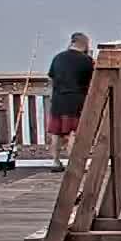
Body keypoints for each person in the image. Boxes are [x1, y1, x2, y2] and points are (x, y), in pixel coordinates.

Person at [48, 32, 95, 172]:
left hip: (57, 100)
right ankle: (74, 163)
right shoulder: (86, 61)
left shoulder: (58, 58)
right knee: (74, 133)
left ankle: (55, 162)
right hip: (76, 101)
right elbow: (94, 79)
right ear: (85, 44)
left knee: (56, 133)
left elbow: (51, 78)